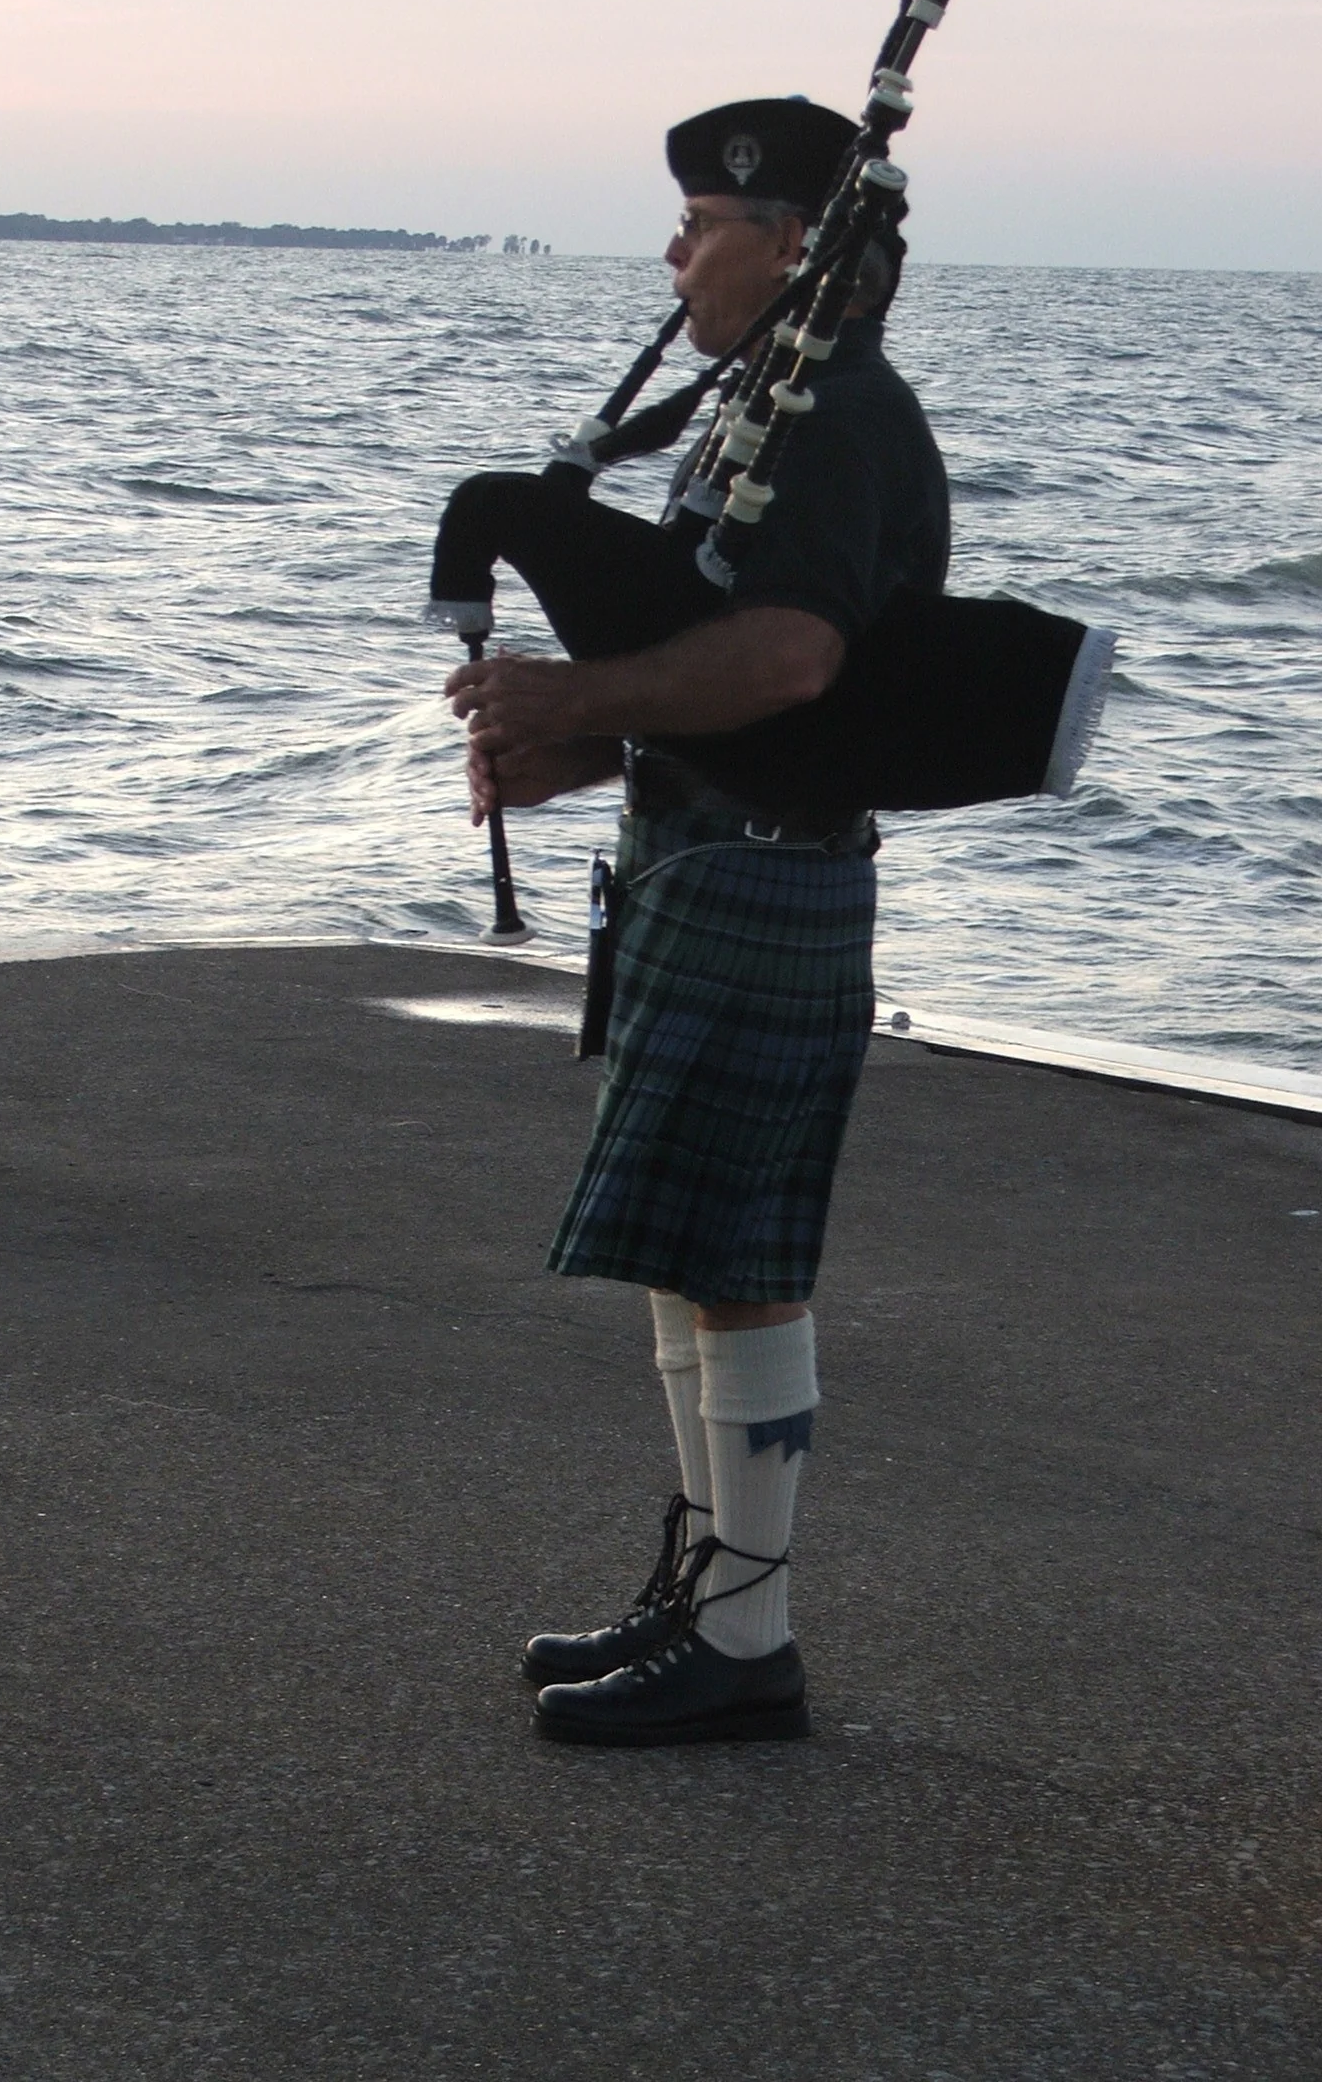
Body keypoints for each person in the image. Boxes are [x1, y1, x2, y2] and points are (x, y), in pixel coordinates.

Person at [445, 97, 950, 1747]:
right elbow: (734, 688)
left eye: (702, 225)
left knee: (739, 1263)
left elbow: (793, 661)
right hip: (708, 859)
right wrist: (576, 749)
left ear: (792, 244)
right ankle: (712, 1598)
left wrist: (573, 689)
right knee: (690, 1257)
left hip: (766, 877)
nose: (674, 253)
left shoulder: (835, 423)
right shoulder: (767, 413)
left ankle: (748, 1637)